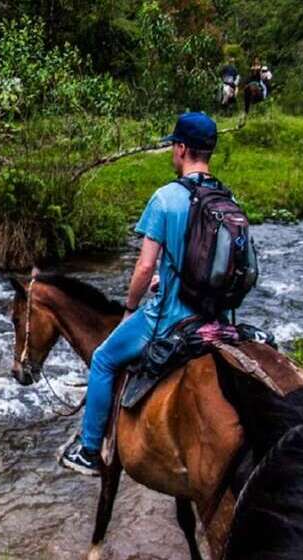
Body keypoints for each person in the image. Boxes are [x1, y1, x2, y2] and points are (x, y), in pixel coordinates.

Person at [60, 112, 220, 476]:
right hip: (214, 317)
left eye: (172, 146)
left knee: (102, 359)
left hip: (170, 318)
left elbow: (145, 267)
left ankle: (88, 450)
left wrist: (131, 307)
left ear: (181, 149)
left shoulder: (166, 198)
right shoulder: (225, 198)